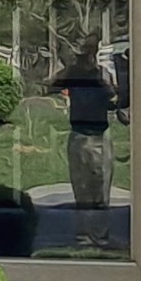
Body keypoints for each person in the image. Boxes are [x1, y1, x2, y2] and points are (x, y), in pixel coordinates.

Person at [49, 38, 118, 249]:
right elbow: (52, 85)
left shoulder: (100, 75)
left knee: (99, 189)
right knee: (83, 189)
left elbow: (113, 97)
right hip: (81, 134)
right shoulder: (75, 74)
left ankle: (98, 236)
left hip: (97, 135)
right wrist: (71, 70)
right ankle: (86, 236)